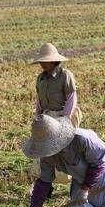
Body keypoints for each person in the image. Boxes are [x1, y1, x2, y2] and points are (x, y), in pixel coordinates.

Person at [29, 43, 82, 185]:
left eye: (45, 61)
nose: (42, 64)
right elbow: (39, 100)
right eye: (41, 61)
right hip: (46, 119)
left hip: (62, 117)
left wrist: (65, 120)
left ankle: (77, 182)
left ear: (53, 61)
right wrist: (38, 117)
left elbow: (72, 98)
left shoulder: (65, 76)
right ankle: (45, 185)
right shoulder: (41, 78)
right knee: (44, 153)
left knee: (64, 152)